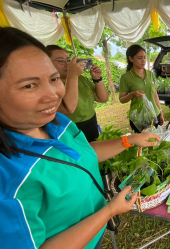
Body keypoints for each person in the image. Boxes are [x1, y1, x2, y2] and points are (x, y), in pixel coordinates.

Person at [0, 27, 161, 249]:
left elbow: (83, 154)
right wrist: (109, 211)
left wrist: (129, 140)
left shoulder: (57, 122)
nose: (53, 94)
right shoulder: (8, 176)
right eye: (29, 85)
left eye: (54, 79)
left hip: (95, 233)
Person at [47, 45, 109, 142]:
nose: (67, 64)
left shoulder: (81, 79)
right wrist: (73, 75)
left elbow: (103, 98)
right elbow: (68, 109)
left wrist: (97, 79)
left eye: (68, 60)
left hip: (91, 123)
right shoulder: (49, 86)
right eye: (61, 61)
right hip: (70, 131)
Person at [119, 45, 164, 133]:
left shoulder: (150, 74)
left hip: (155, 114)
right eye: (140, 58)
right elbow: (122, 99)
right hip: (139, 118)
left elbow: (155, 94)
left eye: (144, 57)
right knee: (141, 145)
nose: (143, 60)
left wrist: (160, 111)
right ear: (131, 59)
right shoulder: (126, 77)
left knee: (156, 143)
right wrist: (132, 94)